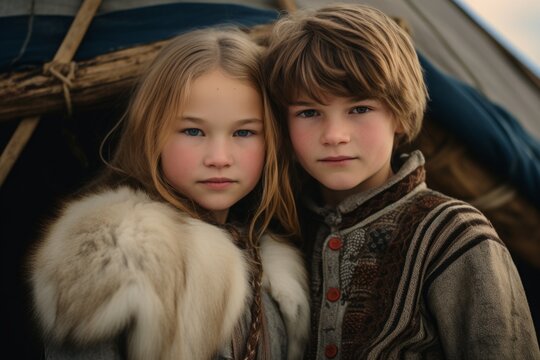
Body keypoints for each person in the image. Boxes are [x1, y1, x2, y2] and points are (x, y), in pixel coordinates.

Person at [262, 4, 539, 359]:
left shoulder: (453, 234)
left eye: (359, 109)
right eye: (309, 112)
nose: (334, 135)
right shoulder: (283, 230)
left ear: (400, 115)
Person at [28, 28, 310, 360]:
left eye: (244, 132)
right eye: (193, 130)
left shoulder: (273, 257)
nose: (219, 157)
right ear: (152, 132)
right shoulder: (111, 257)